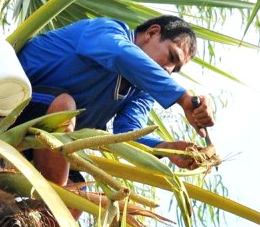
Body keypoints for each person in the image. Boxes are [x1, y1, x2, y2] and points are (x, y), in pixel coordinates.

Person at [16, 15, 215, 186]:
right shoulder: (107, 30)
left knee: (80, 194)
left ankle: (34, 221)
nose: (168, 70)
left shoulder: (141, 90)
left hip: (40, 145)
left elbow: (127, 134)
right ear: (152, 33)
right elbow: (121, 55)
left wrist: (167, 148)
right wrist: (182, 97)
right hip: (10, 104)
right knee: (64, 108)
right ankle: (52, 200)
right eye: (171, 56)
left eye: (175, 70)